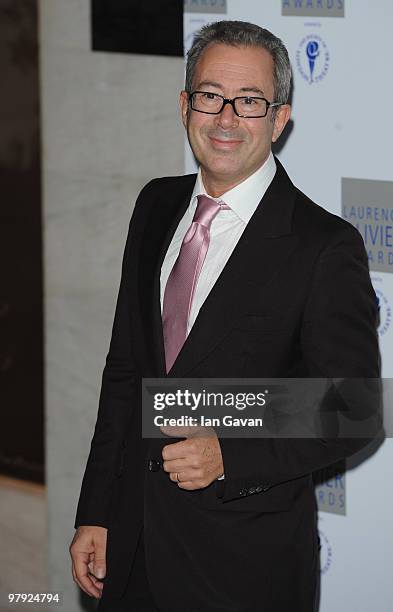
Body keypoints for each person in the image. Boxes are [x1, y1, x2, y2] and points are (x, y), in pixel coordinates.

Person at [70, 20, 380, 612]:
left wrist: (229, 454)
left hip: (242, 567)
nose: (227, 118)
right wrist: (98, 510)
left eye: (250, 102)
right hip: (131, 549)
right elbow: (126, 373)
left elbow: (353, 406)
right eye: (211, 96)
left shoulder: (323, 245)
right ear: (186, 106)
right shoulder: (156, 204)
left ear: (279, 119)